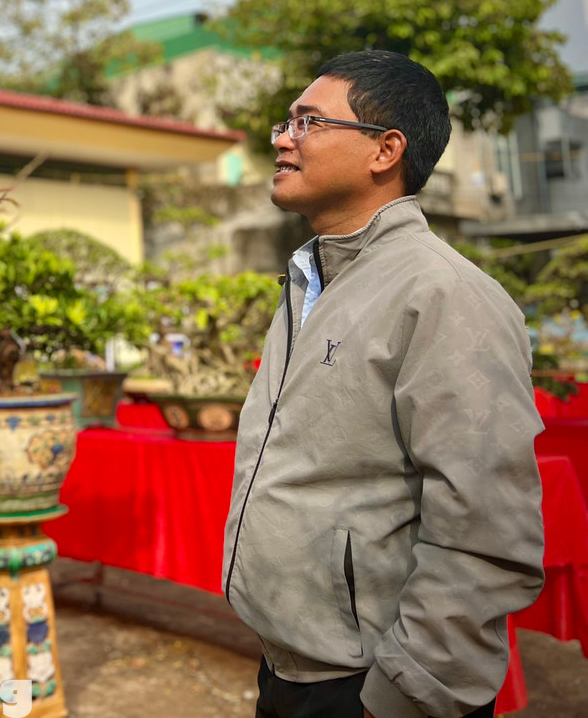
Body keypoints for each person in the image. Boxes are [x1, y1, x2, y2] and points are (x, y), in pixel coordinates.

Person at [223, 50, 544, 718]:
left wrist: (406, 695)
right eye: (287, 121)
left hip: (376, 683)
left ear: (385, 150)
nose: (283, 138)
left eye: (309, 121)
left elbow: (485, 531)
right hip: (292, 665)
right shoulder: (310, 279)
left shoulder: (443, 294)